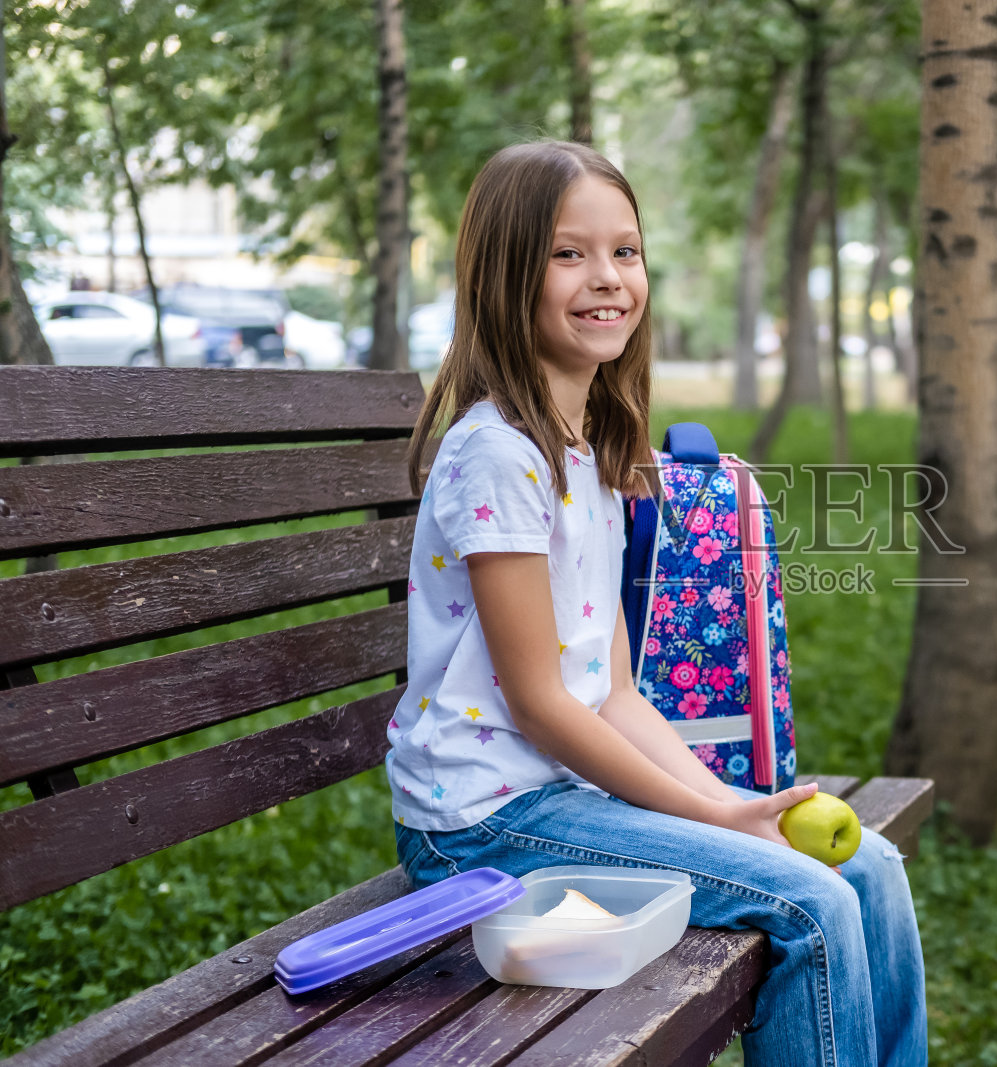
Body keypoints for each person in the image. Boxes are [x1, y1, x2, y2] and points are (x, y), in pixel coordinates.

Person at [386, 142, 927, 1067]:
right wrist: (711, 819)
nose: (607, 277)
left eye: (625, 251)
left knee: (866, 865)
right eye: (569, 253)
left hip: (558, 794)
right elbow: (542, 703)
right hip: (479, 824)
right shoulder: (499, 456)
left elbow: (613, 691)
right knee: (813, 903)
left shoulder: (590, 449)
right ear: (505, 276)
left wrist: (727, 803)